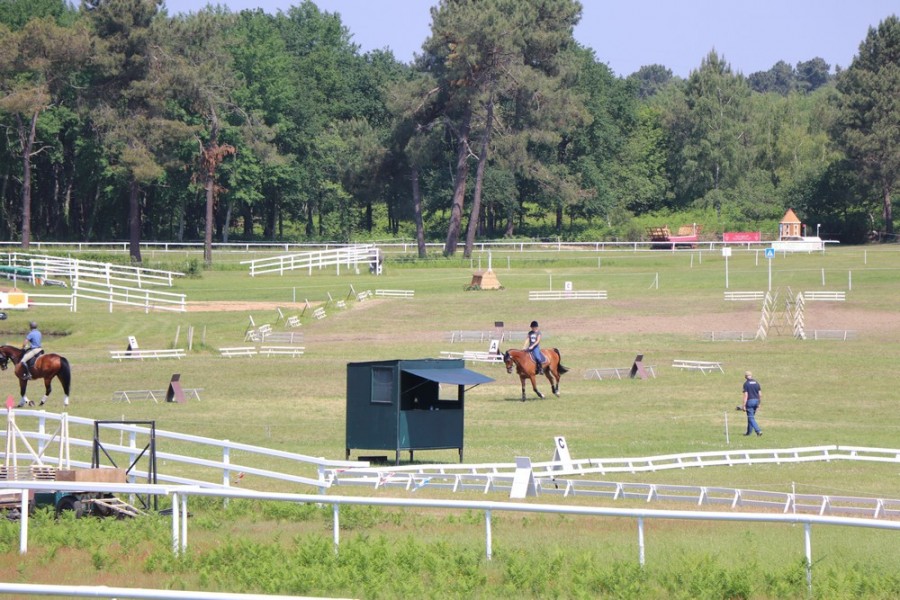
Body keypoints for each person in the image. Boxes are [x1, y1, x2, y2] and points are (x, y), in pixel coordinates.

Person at [741, 370, 762, 436]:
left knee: (750, 418)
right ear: (751, 375)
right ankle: (748, 433)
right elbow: (760, 394)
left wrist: (744, 405)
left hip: (750, 401)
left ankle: (758, 431)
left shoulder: (746, 384)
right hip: (756, 401)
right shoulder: (756, 383)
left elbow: (746, 395)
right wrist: (759, 403)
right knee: (751, 417)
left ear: (745, 376)